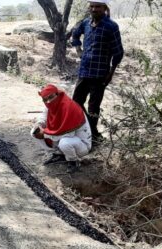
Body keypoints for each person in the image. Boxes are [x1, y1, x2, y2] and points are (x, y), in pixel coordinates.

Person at [71, 0, 124, 144]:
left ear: (104, 8)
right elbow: (75, 35)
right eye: (92, 6)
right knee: (76, 102)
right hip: (84, 71)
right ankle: (90, 131)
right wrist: (78, 50)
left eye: (98, 7)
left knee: (94, 107)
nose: (94, 9)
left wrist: (111, 72)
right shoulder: (85, 23)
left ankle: (92, 137)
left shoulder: (111, 26)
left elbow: (118, 52)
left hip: (100, 74)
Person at [32, 84, 92, 174]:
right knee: (33, 132)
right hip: (64, 138)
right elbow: (43, 116)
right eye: (45, 100)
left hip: (81, 144)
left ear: (57, 94)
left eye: (51, 97)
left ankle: (73, 162)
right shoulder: (51, 105)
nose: (48, 101)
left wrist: (44, 134)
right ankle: (58, 154)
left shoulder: (70, 108)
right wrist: (39, 125)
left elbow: (68, 134)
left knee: (64, 143)